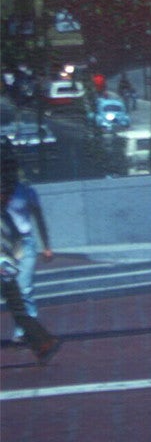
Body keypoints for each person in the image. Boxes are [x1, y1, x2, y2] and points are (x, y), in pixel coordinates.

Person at [1, 155, 61, 364]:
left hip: (15, 252)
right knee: (17, 299)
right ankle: (41, 341)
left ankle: (39, 340)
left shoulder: (24, 193)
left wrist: (46, 246)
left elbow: (35, 220)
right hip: (7, 255)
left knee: (21, 292)